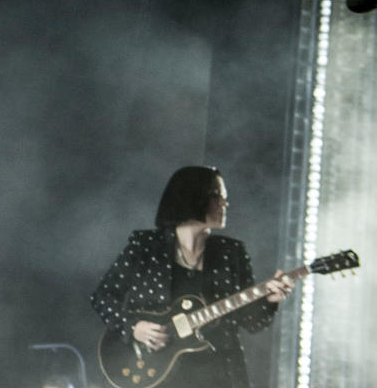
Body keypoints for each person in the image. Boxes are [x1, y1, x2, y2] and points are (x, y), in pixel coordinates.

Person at [90, 166, 296, 388]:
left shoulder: (232, 252)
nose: (224, 204)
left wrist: (269, 300)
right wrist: (133, 327)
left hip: (215, 374)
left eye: (224, 198)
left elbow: (252, 322)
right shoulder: (146, 246)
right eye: (217, 195)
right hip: (153, 372)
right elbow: (102, 296)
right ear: (191, 196)